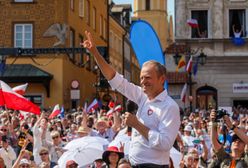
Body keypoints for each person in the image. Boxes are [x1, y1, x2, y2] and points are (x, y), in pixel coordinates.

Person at [82, 31, 180, 167]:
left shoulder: (170, 107)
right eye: (141, 78)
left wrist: (137, 125)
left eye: (147, 78)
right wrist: (95, 53)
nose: (143, 82)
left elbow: (164, 143)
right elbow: (116, 81)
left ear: (162, 79)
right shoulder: (142, 96)